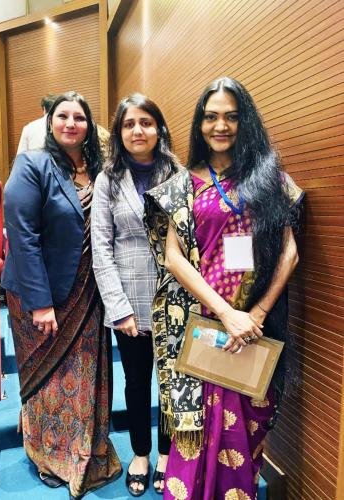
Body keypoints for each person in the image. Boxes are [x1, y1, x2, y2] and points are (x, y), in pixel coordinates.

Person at [144, 77, 304, 500]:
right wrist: (225, 313)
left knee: (245, 438)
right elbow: (174, 258)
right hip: (202, 328)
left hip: (253, 332)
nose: (221, 126)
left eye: (231, 116)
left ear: (245, 121)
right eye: (211, 116)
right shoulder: (181, 184)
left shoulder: (269, 178)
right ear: (199, 124)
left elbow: (289, 254)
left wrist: (256, 314)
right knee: (193, 434)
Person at [1, 91, 122, 499]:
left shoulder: (103, 169)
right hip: (42, 293)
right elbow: (23, 236)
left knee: (85, 375)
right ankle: (47, 453)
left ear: (90, 126)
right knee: (48, 378)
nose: (71, 123)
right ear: (50, 122)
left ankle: (85, 447)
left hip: (89, 291)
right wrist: (41, 303)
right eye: (63, 116)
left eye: (80, 117)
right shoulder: (33, 165)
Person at [91, 93, 180, 497]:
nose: (137, 130)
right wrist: (119, 307)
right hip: (128, 299)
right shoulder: (107, 179)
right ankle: (141, 453)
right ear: (119, 132)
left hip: (177, 296)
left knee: (174, 380)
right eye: (128, 124)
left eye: (145, 122)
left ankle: (167, 453)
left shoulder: (179, 173)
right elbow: (101, 248)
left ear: (158, 128)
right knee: (137, 379)